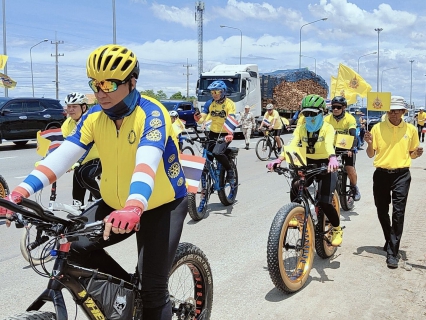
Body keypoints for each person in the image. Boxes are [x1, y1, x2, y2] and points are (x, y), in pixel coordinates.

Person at [1, 44, 188, 319]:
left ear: (132, 82)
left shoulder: (151, 113)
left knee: (153, 291)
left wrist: (135, 206)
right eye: (96, 84)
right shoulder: (94, 116)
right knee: (70, 249)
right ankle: (127, 295)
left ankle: (144, 295)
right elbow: (62, 157)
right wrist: (18, 193)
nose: (101, 92)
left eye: (110, 84)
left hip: (161, 205)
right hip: (115, 205)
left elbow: (146, 163)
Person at [267, 94, 343, 246]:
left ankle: (336, 228)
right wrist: (279, 159)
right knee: (296, 186)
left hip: (326, 164)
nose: (309, 117)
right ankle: (298, 215)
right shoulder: (301, 129)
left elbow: (328, 144)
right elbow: (292, 144)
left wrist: (332, 158)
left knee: (324, 201)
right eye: (306, 114)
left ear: (322, 113)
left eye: (313, 114)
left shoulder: (328, 128)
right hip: (306, 162)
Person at [364, 95, 423, 269]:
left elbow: (412, 153)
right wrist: (368, 143)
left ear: (404, 112)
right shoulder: (377, 128)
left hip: (402, 175)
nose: (394, 113)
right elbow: (370, 154)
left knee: (398, 212)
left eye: (397, 110)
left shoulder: (411, 130)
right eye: (391, 110)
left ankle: (392, 252)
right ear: (386, 111)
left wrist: (416, 154)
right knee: (382, 210)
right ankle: (390, 239)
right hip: (381, 174)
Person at [194, 80, 237, 185]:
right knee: (207, 158)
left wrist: (230, 134)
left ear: (223, 92)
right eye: (212, 93)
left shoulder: (229, 104)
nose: (214, 95)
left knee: (217, 152)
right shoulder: (210, 103)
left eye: (217, 92)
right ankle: (209, 180)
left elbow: (232, 118)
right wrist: (198, 118)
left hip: (225, 133)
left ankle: (230, 170)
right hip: (213, 132)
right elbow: (203, 117)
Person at [63, 92, 101, 205]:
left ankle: (102, 202)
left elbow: (88, 144)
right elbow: (66, 146)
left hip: (100, 157)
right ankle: (77, 205)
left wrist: (78, 161)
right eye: (68, 106)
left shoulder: (92, 120)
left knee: (84, 174)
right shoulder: (66, 124)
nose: (70, 110)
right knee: (77, 174)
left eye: (74, 106)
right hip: (81, 161)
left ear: (83, 107)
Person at [324, 96, 361, 201]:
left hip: (347, 146)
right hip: (332, 146)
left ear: (344, 107)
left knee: (349, 168)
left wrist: (352, 148)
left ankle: (354, 187)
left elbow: (353, 134)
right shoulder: (327, 119)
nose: (335, 109)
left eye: (338, 107)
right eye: (333, 107)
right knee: (326, 168)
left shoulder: (350, 118)